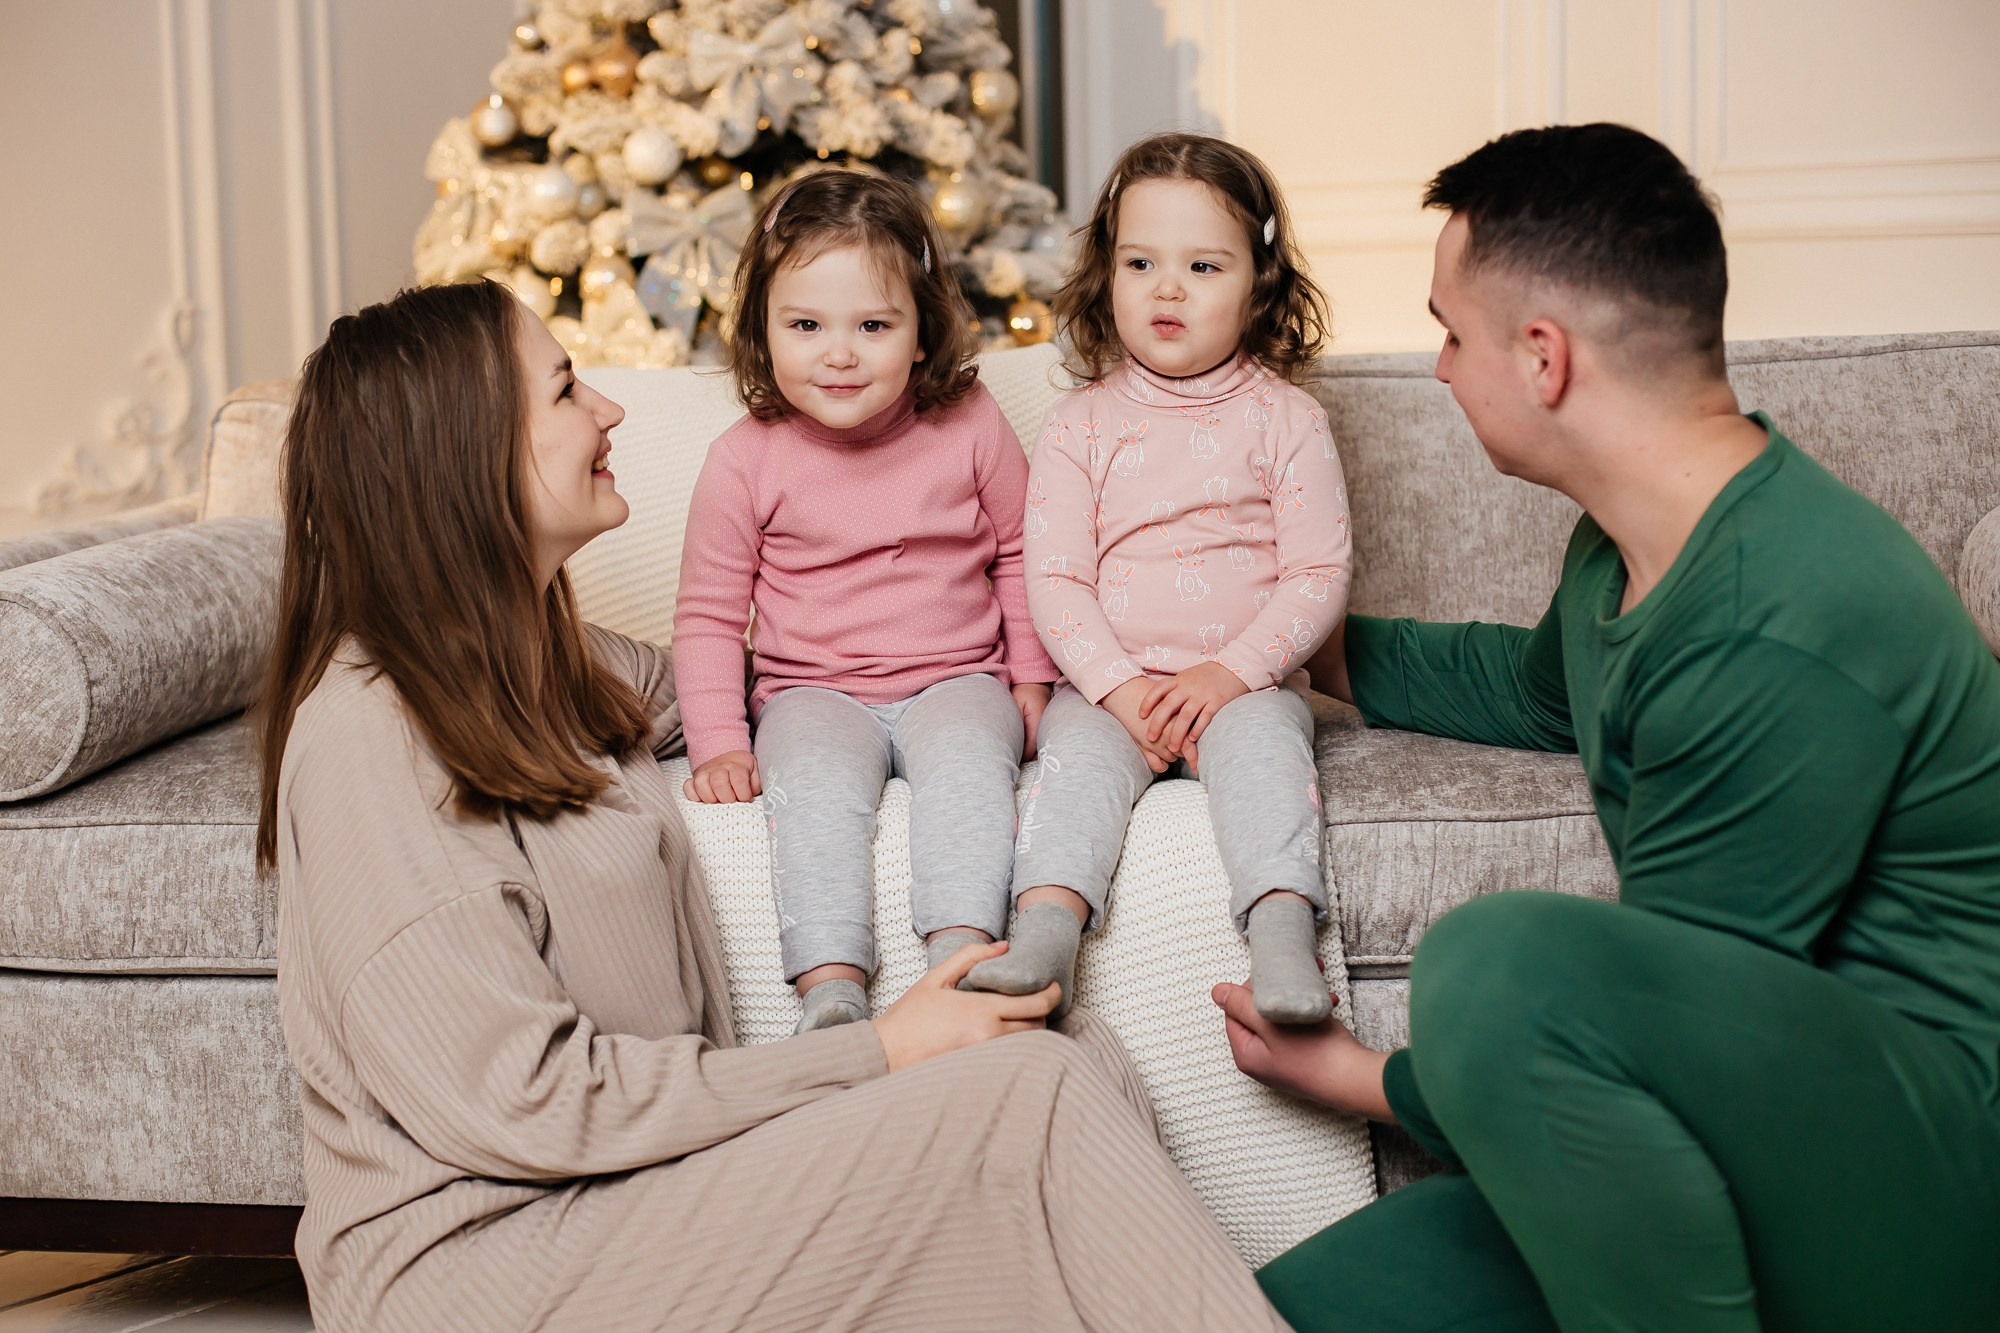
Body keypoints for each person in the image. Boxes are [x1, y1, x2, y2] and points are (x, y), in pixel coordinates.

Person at [260, 278, 1285, 1331]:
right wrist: (881, 1049)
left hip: (639, 1195)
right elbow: (525, 1101)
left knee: (1070, 1049)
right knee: (1034, 1093)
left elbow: (751, 688)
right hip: (484, 1267)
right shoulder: (368, 741)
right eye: (566, 390)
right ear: (459, 455)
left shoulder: (538, 665)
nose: (609, 408)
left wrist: (1061, 675)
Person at [1218, 123, 2000, 1331]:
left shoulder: (1780, 608)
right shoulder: (1623, 547)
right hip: (1757, 1117)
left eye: (1449, 331)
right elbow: (1532, 692)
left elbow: (1659, 1027)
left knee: (1497, 965)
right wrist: (1285, 637)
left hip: (1931, 1173)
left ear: (1542, 357)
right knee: (1285, 1310)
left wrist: (1371, 1080)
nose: (1438, 368)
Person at [963, 132, 1350, 1026]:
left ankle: (1283, 939)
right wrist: (1119, 687)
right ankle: (1045, 938)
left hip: (1241, 686)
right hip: (1113, 690)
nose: (1167, 288)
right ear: (1108, 275)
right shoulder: (1080, 424)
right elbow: (1055, 578)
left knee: (1268, 768)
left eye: (1203, 266)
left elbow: (1318, 572)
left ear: (1259, 284)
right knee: (1069, 781)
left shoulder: (1288, 418)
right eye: (1141, 263)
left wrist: (1232, 673)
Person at [673, 168, 1063, 1033]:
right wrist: (718, 743)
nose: (839, 353)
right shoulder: (745, 458)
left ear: (923, 332)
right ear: (762, 328)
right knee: (812, 794)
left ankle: (963, 959)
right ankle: (831, 989)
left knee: (970, 771)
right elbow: (707, 615)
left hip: (958, 678)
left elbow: (1020, 550)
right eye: (806, 325)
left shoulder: (968, 421)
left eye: (874, 326)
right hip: (812, 693)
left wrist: (1032, 678)